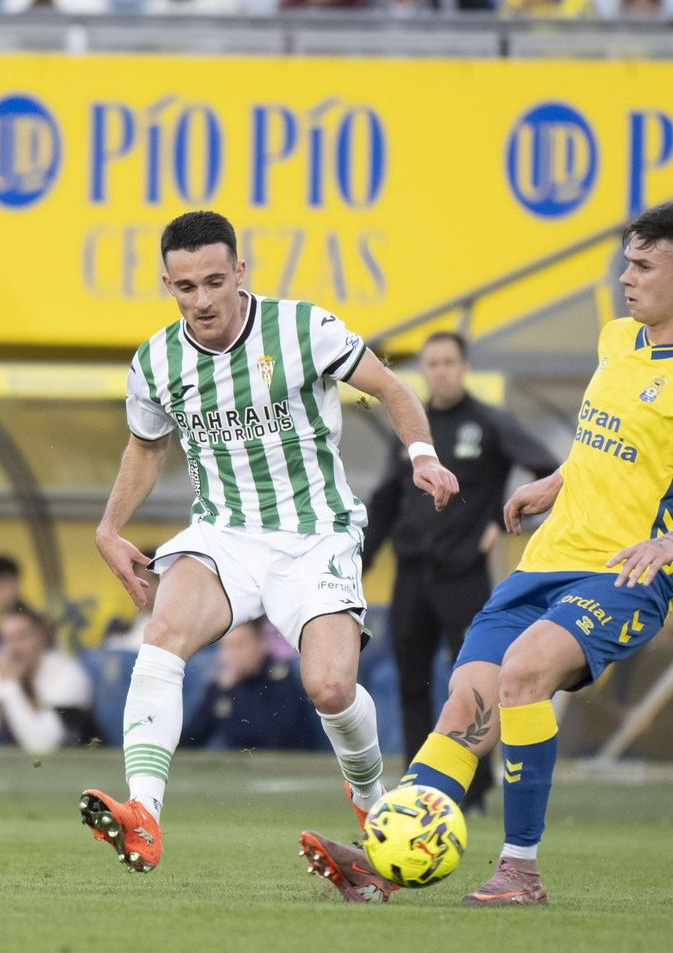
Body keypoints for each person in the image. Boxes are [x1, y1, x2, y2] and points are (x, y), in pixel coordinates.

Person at [299, 200, 673, 906]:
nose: (625, 277)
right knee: (467, 700)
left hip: (623, 576)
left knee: (522, 673)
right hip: (544, 565)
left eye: (643, 265)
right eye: (626, 262)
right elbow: (609, 448)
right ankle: (384, 862)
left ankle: (520, 871)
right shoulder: (619, 342)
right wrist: (554, 482)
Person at [79, 209, 459, 874]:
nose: (202, 299)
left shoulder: (303, 329)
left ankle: (373, 807)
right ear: (167, 284)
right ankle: (143, 814)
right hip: (225, 532)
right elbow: (146, 449)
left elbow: (390, 387)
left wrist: (423, 454)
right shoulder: (157, 362)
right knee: (163, 632)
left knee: (332, 689)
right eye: (185, 286)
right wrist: (109, 528)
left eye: (214, 282)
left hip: (315, 536)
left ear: (240, 274)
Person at [363, 331, 560, 811]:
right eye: (432, 364)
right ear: (424, 371)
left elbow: (547, 467)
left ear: (464, 366)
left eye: (449, 362)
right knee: (412, 682)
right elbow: (387, 501)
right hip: (411, 575)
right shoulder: (413, 433)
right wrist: (358, 564)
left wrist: (500, 520)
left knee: (474, 684)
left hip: (463, 576)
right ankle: (418, 787)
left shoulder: (488, 423)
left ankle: (472, 789)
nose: (441, 371)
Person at [0, 604, 92, 755]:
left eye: (21, 637)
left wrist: (9, 686)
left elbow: (43, 747)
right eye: (6, 640)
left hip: (79, 769)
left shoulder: (67, 675)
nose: (13, 649)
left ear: (40, 637)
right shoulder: (0, 675)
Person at [182, 619, 325, 752]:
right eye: (225, 647)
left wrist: (233, 691)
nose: (230, 655)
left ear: (261, 644)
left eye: (238, 646)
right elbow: (194, 736)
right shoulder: (221, 687)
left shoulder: (280, 678)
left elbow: (276, 739)